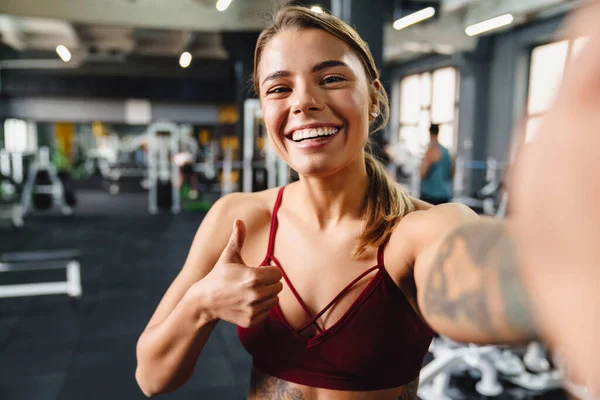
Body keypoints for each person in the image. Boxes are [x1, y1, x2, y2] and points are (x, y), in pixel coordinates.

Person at [135, 4, 596, 399]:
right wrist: (201, 304)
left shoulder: (414, 234)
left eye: (331, 78)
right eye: (280, 88)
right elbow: (151, 378)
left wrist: (565, 260)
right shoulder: (237, 221)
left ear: (374, 98)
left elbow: (489, 273)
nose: (304, 102)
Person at [419, 124, 454, 205]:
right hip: (444, 194)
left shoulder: (431, 151)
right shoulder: (446, 152)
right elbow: (451, 173)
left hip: (430, 195)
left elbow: (422, 173)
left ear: (430, 133)